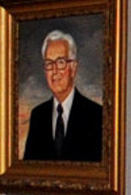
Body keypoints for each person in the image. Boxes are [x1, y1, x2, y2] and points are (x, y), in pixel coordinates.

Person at [22, 28, 104, 163]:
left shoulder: (96, 116)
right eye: (49, 64)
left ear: (73, 68)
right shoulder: (38, 116)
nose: (54, 71)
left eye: (60, 62)